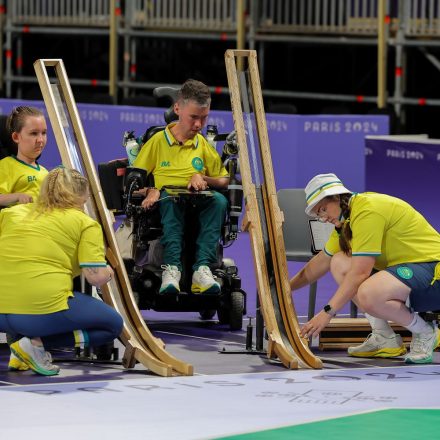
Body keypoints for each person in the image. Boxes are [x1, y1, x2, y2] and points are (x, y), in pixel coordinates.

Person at [290, 172, 440, 364]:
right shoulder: (346, 223)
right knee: (339, 261)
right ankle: (384, 338)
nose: (323, 217)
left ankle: (426, 332)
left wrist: (327, 313)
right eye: (319, 214)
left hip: (432, 271)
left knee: (369, 293)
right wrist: (285, 288)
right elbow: (318, 265)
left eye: (323, 209)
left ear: (337, 197)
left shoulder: (367, 211)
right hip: (408, 273)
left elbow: (360, 273)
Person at [0, 167, 124, 376]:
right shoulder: (86, 223)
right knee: (112, 325)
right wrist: (109, 271)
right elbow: (95, 278)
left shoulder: (10, 213)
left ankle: (26, 348)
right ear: (80, 198)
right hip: (37, 311)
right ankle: (34, 346)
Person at [133, 79, 229, 294]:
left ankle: (201, 270)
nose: (198, 125)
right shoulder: (157, 141)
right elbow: (133, 183)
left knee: (219, 201)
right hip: (168, 200)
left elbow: (223, 180)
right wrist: (152, 190)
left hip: (199, 199)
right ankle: (172, 269)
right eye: (194, 117)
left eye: (204, 118)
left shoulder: (202, 144)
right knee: (170, 199)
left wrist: (202, 176)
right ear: (177, 108)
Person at [0, 106, 48, 207]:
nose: (40, 140)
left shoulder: (45, 172)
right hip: (18, 220)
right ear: (16, 137)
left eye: (43, 133)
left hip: (44, 218)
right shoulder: (5, 165)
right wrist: (17, 196)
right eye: (34, 133)